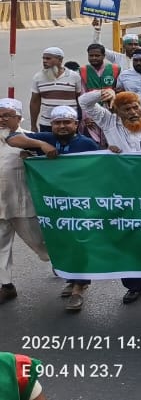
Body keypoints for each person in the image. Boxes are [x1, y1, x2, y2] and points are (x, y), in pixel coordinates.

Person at [4, 106, 101, 311]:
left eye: (67, 122)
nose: (62, 126)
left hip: (80, 205)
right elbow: (12, 138)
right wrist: (40, 145)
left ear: (76, 124)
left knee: (79, 243)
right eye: (57, 122)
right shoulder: (47, 138)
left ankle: (78, 290)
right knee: (61, 242)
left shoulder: (86, 143)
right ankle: (71, 278)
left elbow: (104, 166)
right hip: (53, 206)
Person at [0, 99, 50, 306]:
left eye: (6, 115)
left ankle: (64, 264)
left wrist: (37, 149)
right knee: (1, 246)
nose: (1, 119)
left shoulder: (29, 139)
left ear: (18, 118)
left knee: (41, 245)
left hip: (22, 206)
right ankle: (6, 286)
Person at [30, 48, 82, 132]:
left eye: (48, 58)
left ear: (60, 60)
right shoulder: (38, 77)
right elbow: (35, 102)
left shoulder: (74, 76)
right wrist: (33, 125)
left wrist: (81, 120)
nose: (44, 61)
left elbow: (80, 99)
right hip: (47, 124)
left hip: (69, 123)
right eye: (43, 58)